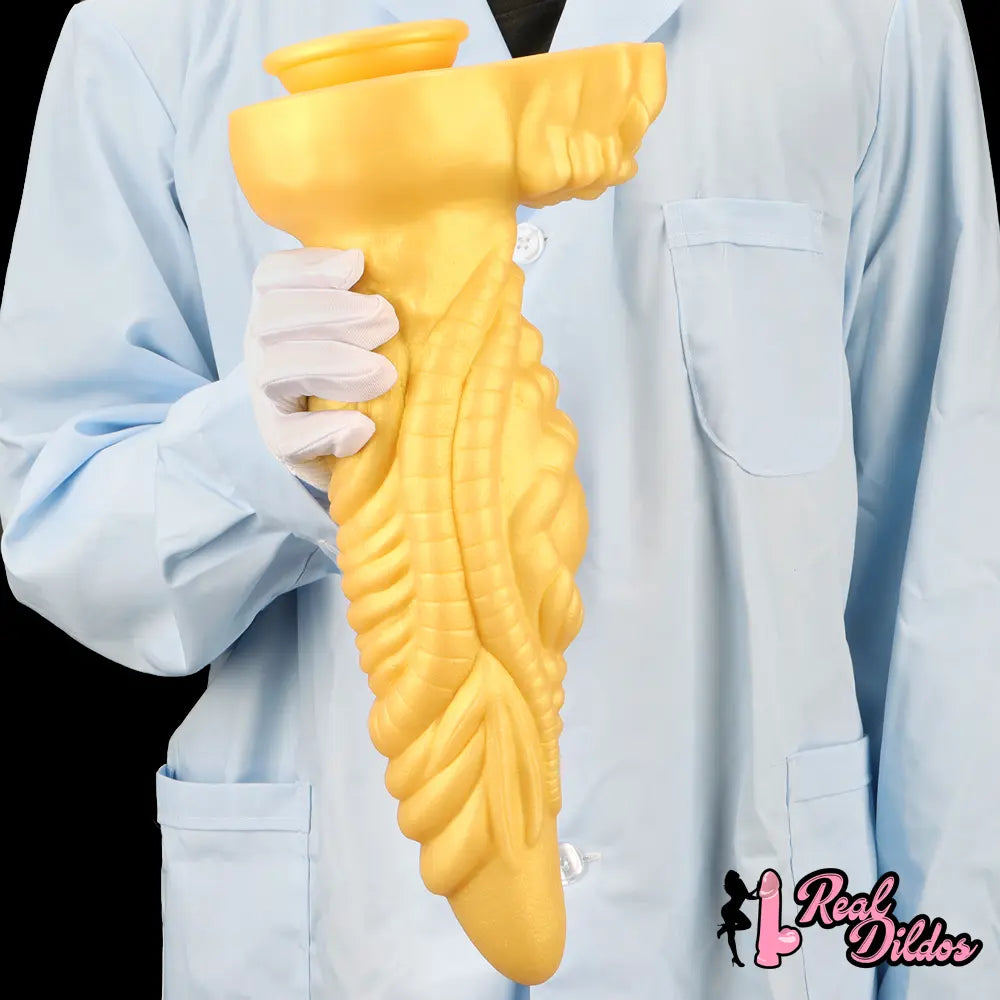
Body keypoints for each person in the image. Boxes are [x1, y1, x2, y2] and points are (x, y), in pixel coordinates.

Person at [1, 0, 997, 998]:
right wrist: (258, 450)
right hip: (346, 935)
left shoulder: (874, 20)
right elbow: (60, 521)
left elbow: (943, 555)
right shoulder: (160, 24)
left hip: (746, 924)